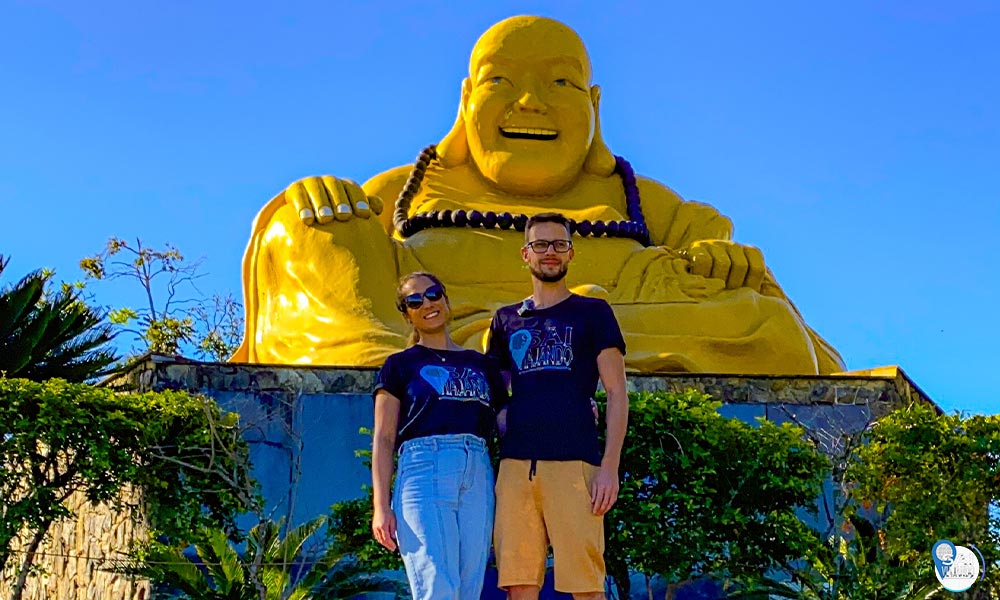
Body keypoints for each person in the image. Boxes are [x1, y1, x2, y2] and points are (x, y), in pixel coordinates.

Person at [233, 15, 844, 375]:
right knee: (305, 218)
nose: (530, 102)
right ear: (467, 98)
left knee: (763, 323)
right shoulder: (405, 190)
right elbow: (339, 263)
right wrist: (323, 198)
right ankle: (392, 367)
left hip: (613, 330)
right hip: (428, 333)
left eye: (560, 82)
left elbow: (731, 269)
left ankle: (508, 346)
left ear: (594, 106)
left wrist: (725, 258)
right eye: (502, 81)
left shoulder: (641, 201)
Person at [487, 213, 628, 600]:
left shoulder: (593, 312)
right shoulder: (505, 320)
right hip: (517, 465)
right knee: (518, 583)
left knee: (585, 584)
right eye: (541, 245)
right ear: (525, 254)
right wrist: (506, 420)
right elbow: (496, 390)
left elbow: (616, 392)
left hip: (575, 463)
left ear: (571, 252)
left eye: (559, 244)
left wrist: (609, 468)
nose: (550, 252)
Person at [371, 272, 508, 600]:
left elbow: (508, 423)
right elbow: (384, 437)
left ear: (446, 300)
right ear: (406, 315)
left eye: (433, 295)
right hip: (423, 468)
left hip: (477, 467)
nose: (427, 304)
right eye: (415, 301)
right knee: (436, 586)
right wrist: (380, 505)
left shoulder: (481, 364)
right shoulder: (399, 365)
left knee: (468, 586)